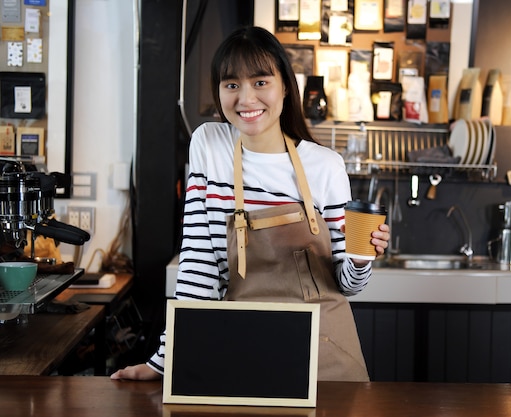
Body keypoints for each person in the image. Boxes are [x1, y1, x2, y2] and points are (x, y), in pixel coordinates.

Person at [111, 26, 390, 382]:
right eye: (231, 85)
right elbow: (200, 265)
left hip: (324, 359)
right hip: (243, 349)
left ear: (286, 86)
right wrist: (166, 360)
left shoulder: (324, 166)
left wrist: (361, 257)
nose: (246, 98)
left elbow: (347, 284)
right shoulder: (209, 146)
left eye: (260, 82)